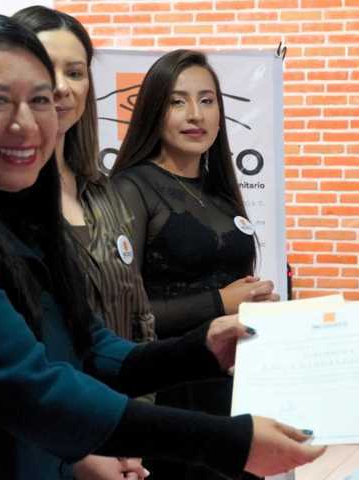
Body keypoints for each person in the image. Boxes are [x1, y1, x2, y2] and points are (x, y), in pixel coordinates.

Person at [0, 13, 325, 480]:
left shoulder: (16, 208)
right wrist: (230, 442)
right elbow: (32, 389)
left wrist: (201, 350)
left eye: (41, 99)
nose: (25, 124)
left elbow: (89, 348)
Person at [111, 49, 279, 479]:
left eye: (207, 100)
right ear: (153, 111)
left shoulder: (219, 191)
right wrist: (220, 303)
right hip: (170, 393)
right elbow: (122, 315)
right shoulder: (133, 188)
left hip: (235, 387)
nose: (195, 114)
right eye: (177, 101)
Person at [11, 6, 155, 479]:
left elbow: (136, 318)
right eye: (43, 69)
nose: (61, 87)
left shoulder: (103, 190)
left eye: (75, 72)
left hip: (116, 431)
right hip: (46, 448)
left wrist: (132, 430)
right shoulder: (3, 200)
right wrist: (76, 455)